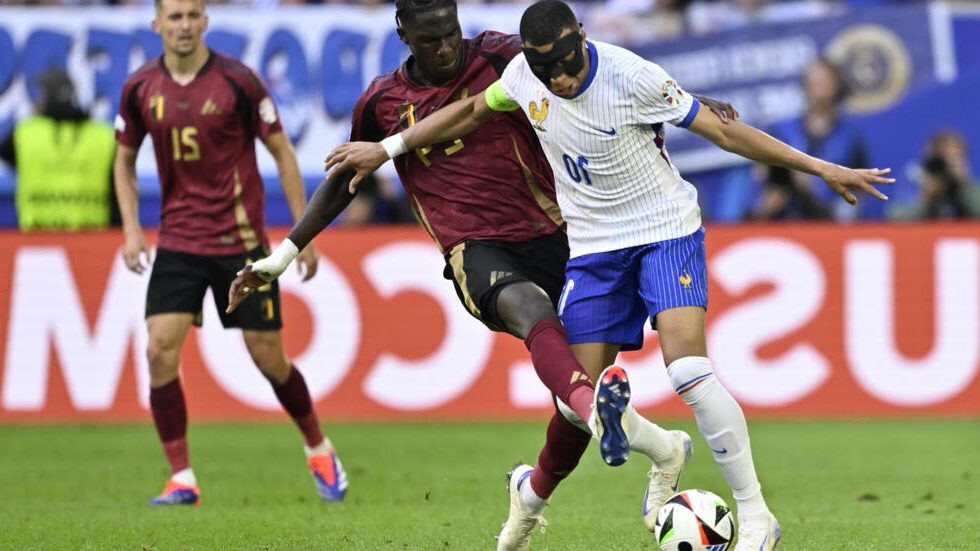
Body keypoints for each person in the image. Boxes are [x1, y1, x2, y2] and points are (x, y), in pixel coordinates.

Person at [319, 1, 893, 548]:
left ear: (583, 40)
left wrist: (820, 167)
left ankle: (756, 515)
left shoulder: (631, 76)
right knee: (577, 402)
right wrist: (388, 148)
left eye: (567, 65)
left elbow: (723, 132)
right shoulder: (521, 76)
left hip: (665, 230)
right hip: (593, 249)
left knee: (689, 372)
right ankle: (565, 482)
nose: (561, 80)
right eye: (547, 71)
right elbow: (469, 113)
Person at [227, 0, 736, 547]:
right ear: (404, 35)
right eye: (430, 40)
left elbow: (597, 68)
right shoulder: (382, 102)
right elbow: (349, 176)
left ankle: (587, 474)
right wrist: (283, 254)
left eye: (450, 33)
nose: (446, 47)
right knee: (533, 315)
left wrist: (685, 101)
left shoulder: (501, 57)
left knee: (570, 398)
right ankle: (599, 414)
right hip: (475, 247)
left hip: (562, 231)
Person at [113, 0, 346, 506]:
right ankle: (181, 478)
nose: (183, 25)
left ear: (205, 21)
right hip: (178, 240)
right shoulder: (139, 88)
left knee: (269, 359)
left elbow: (282, 152)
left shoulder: (239, 82)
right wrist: (131, 230)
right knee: (158, 350)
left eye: (191, 15)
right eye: (174, 17)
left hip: (239, 242)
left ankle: (318, 447)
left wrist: (302, 235)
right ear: (156, 24)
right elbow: (123, 160)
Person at [747, 58, 870, 221]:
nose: (818, 84)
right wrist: (765, 203)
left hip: (827, 220)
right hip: (780, 220)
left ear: (837, 85)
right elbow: (760, 177)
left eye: (824, 79)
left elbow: (859, 190)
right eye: (814, 79)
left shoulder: (850, 136)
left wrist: (840, 212)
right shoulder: (782, 131)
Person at [0, 69, 119, 231]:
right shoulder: (104, 135)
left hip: (36, 237)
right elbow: (120, 193)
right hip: (93, 236)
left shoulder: (24, 133)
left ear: (46, 98)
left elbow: (7, 155)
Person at [886, 129, 980, 220]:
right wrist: (927, 198)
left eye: (955, 159)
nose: (946, 168)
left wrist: (965, 185)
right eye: (942, 160)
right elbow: (894, 216)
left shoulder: (970, 186)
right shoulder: (915, 179)